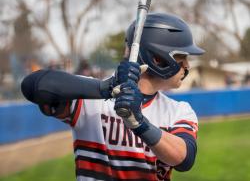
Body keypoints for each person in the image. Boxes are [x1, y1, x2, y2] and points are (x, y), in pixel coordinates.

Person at [21, 12, 204, 181]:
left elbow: (184, 159)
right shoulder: (89, 99)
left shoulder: (179, 110)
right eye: (182, 57)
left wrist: (140, 123)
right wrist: (105, 88)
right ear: (158, 58)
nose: (187, 65)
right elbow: (33, 86)